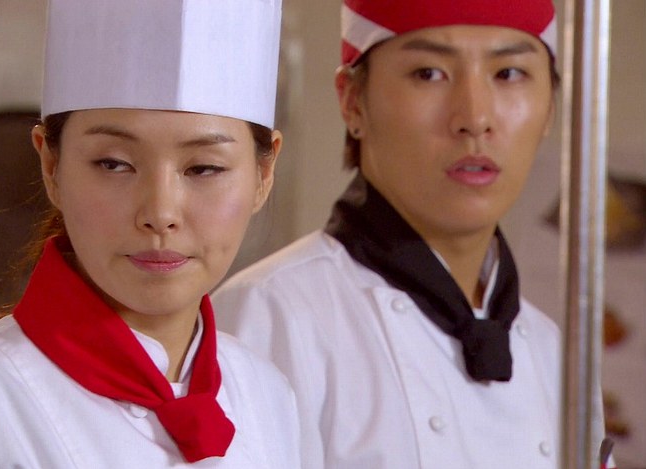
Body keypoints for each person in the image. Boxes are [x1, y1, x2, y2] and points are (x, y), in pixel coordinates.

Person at [0, 1, 300, 467]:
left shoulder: (267, 398)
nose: (161, 213)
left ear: (264, 173)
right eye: (114, 164)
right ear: (51, 166)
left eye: (204, 168)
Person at [213, 1, 615, 468]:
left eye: (508, 74)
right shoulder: (268, 314)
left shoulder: (556, 354)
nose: (474, 117)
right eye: (429, 73)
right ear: (352, 101)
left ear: (551, 108)